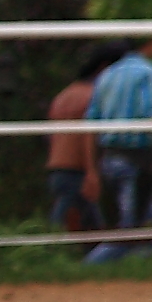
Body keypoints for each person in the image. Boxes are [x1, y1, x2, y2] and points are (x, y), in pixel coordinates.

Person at [85, 38, 152, 256]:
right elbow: (150, 115)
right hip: (135, 157)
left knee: (149, 222)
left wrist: (92, 168)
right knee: (130, 230)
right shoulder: (147, 72)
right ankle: (93, 266)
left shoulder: (107, 75)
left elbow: (92, 122)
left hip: (109, 157)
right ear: (149, 45)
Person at [42, 60, 97, 242]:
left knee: (74, 215)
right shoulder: (91, 96)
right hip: (77, 166)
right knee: (84, 216)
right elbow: (88, 134)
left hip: (57, 165)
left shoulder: (63, 96)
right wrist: (92, 170)